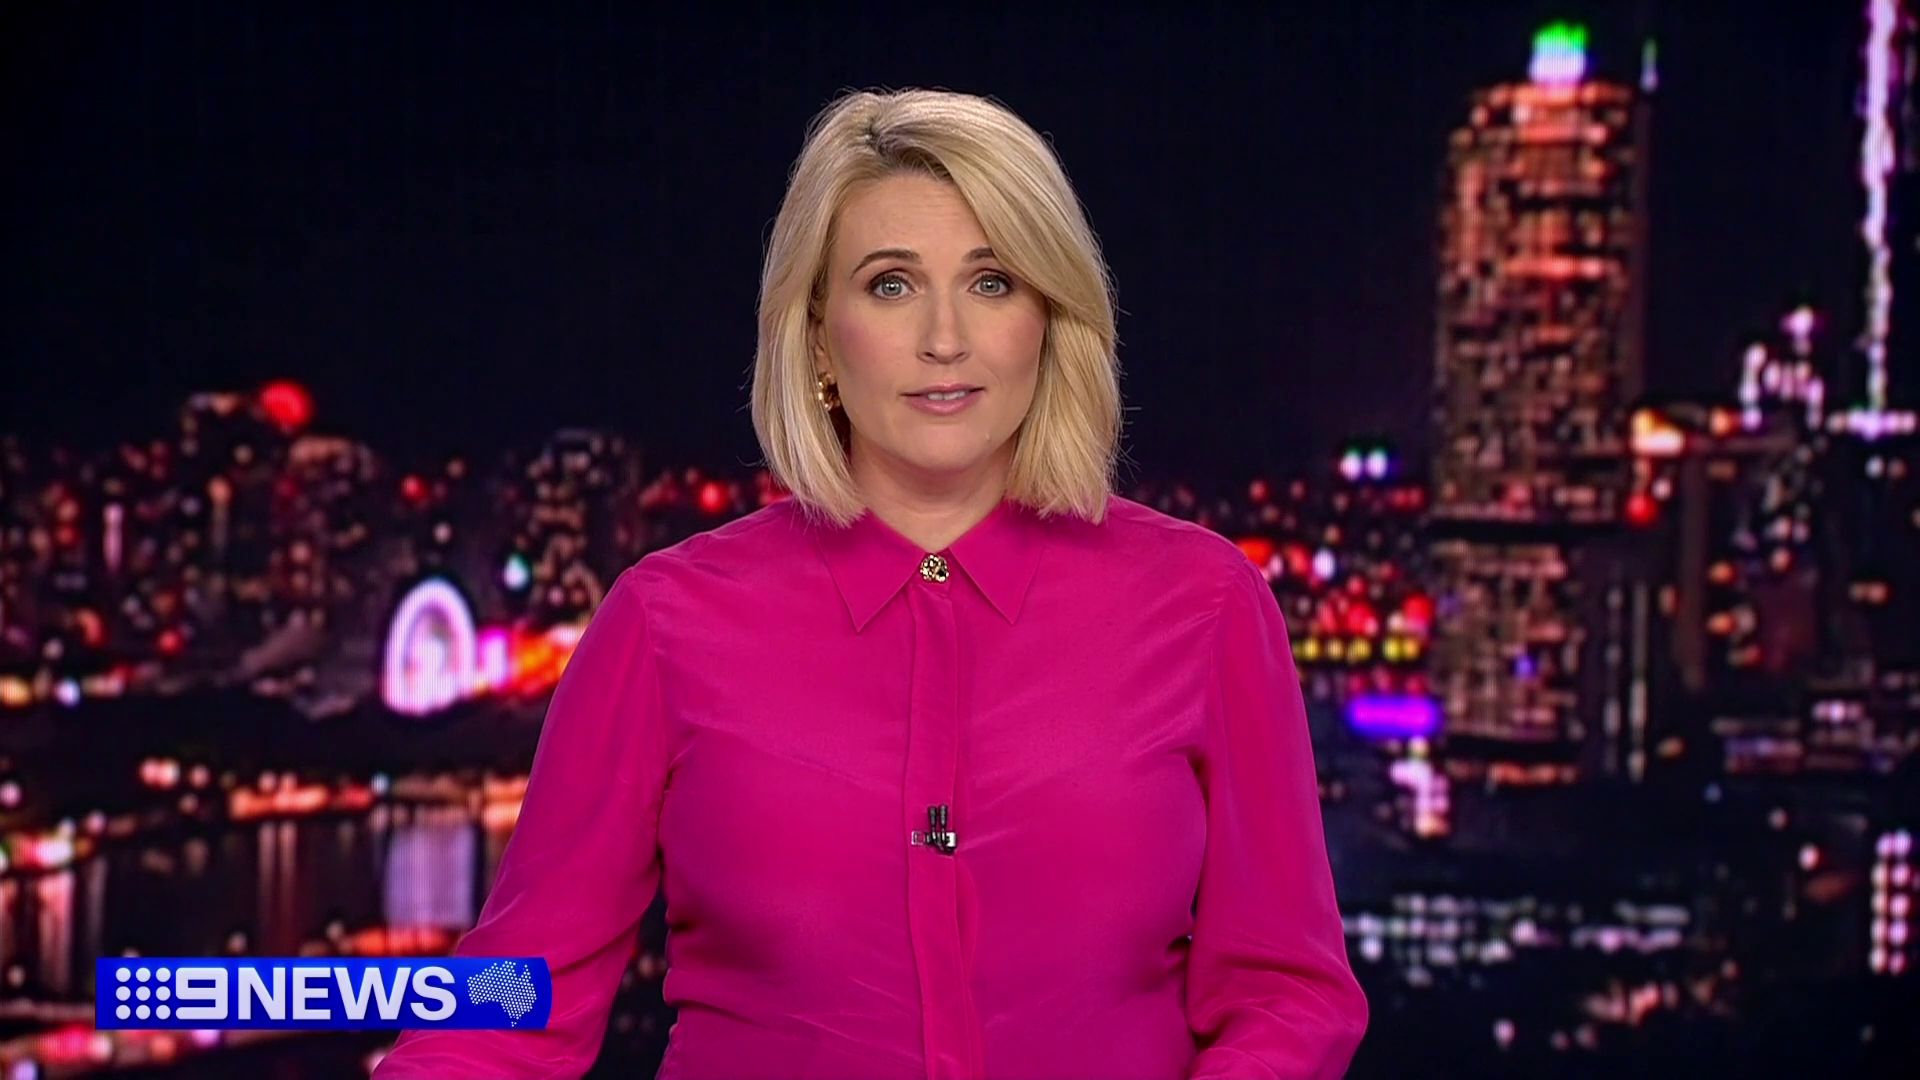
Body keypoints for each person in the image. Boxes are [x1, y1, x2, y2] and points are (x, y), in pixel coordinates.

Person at [374, 86, 1367, 1079]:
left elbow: (1286, 994)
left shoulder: (1203, 603)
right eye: (891, 284)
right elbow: (513, 998)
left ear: (1049, 318)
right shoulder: (663, 622)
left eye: (993, 281)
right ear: (817, 335)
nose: (945, 337)